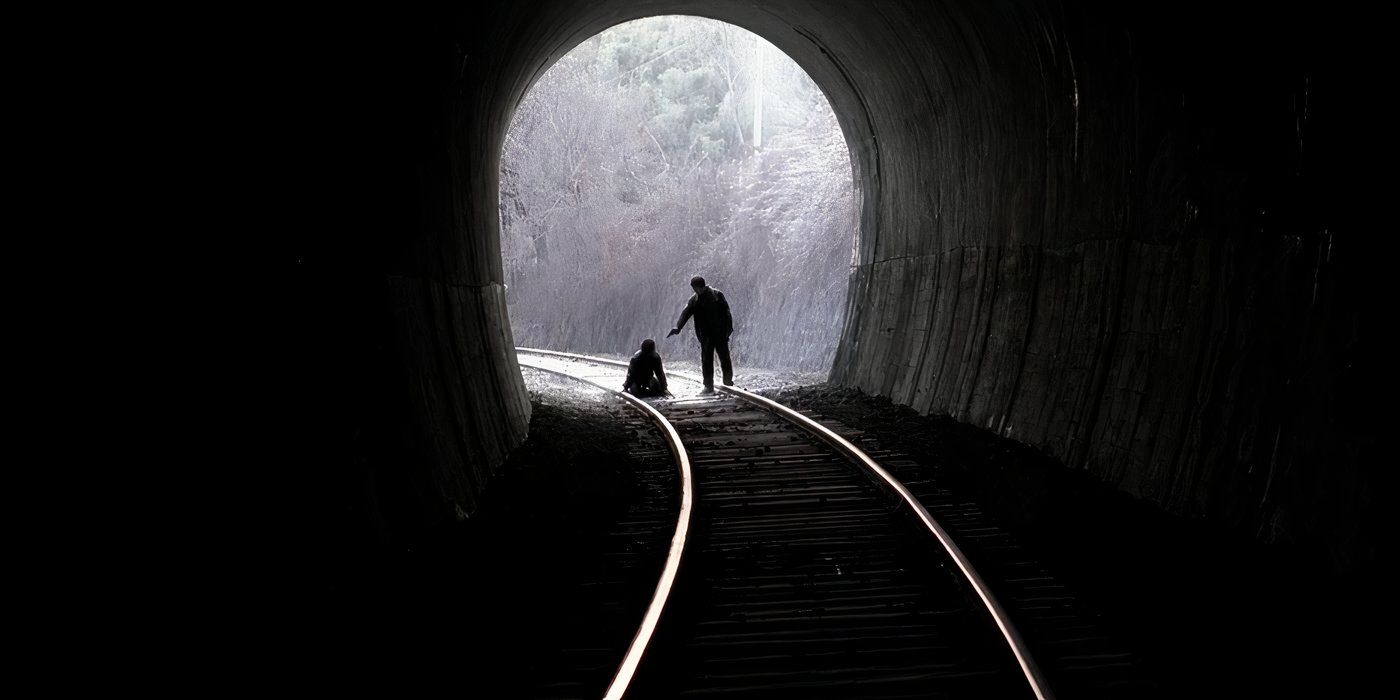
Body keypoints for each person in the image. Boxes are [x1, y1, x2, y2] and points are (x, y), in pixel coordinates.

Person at [667, 275, 733, 392]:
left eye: (695, 288)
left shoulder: (717, 295)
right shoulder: (695, 300)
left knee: (724, 358)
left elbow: (727, 313)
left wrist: (728, 331)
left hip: (720, 333)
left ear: (699, 287)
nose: (695, 290)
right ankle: (708, 385)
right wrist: (678, 327)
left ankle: (728, 382)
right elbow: (686, 313)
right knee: (706, 360)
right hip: (705, 335)